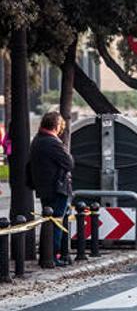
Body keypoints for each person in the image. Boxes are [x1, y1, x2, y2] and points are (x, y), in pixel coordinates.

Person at [27, 112, 73, 266]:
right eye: (60, 126)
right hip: (57, 188)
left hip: (44, 187)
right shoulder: (52, 142)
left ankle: (48, 255)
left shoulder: (37, 140)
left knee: (49, 222)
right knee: (56, 223)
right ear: (56, 126)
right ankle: (53, 256)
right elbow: (69, 162)